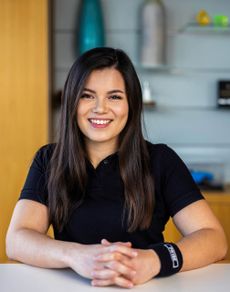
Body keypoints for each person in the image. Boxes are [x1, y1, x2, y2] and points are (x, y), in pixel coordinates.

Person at [6, 47, 227, 288]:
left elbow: (213, 238)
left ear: (131, 103)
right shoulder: (49, 159)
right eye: (87, 95)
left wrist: (153, 260)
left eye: (114, 97)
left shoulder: (161, 160)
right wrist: (75, 255)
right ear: (72, 101)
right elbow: (17, 240)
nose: (100, 108)